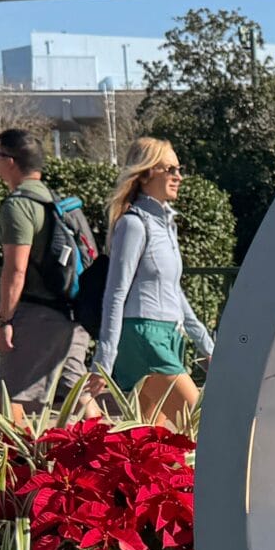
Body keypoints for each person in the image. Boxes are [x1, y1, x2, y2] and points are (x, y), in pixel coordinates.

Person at [86, 137, 214, 427]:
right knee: (203, 424)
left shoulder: (165, 226)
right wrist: (104, 359)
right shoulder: (133, 224)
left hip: (167, 335)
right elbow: (115, 293)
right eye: (170, 169)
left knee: (150, 441)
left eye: (179, 169)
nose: (178, 176)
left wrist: (206, 345)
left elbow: (175, 293)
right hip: (144, 337)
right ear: (145, 174)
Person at [0, 128, 92, 423]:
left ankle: (12, 467)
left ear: (10, 161)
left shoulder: (18, 206)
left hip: (38, 316)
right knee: (79, 398)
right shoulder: (58, 203)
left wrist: (4, 321)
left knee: (7, 399)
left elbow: (16, 269)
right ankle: (110, 459)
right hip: (72, 315)